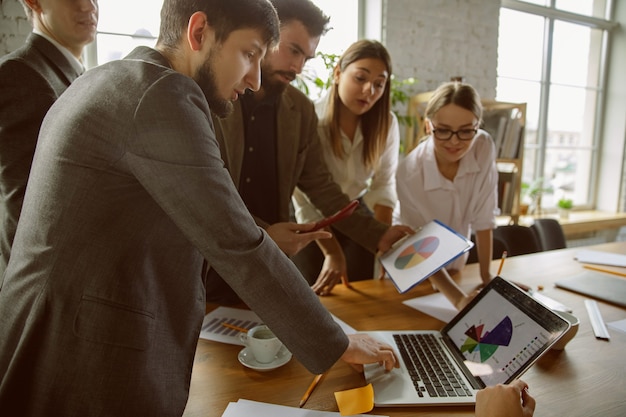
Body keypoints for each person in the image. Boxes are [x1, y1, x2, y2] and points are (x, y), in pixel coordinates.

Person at [0, 1, 401, 415]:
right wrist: (338, 341)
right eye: (249, 54)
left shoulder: (112, 78)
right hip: (78, 352)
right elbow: (235, 241)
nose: (255, 77)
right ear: (198, 32)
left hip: (55, 331)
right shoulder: (162, 93)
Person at [209, 0, 412, 300]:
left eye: (306, 57)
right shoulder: (218, 96)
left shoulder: (300, 110)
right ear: (264, 37)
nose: (298, 67)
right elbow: (209, 192)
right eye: (293, 50)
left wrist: (379, 234)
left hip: (271, 259)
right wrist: (263, 233)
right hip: (214, 253)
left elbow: (321, 188)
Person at [0, 0, 98, 283]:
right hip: (48, 288)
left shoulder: (79, 75)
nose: (89, 6)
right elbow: (28, 208)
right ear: (34, 2)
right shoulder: (19, 75)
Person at [291, 39, 399, 293]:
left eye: (378, 84)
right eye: (360, 78)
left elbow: (384, 184)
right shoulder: (312, 119)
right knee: (313, 294)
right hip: (310, 216)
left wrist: (382, 239)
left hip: (354, 211)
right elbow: (304, 197)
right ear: (338, 73)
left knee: (360, 290)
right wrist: (333, 252)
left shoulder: (387, 124)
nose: (369, 91)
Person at [395, 81, 499, 309]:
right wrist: (458, 299)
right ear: (428, 126)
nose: (454, 141)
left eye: (465, 131)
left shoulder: (483, 146)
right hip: (412, 266)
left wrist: (487, 277)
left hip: (454, 265)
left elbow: (484, 216)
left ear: (477, 126)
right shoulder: (409, 172)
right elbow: (418, 244)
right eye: (443, 130)